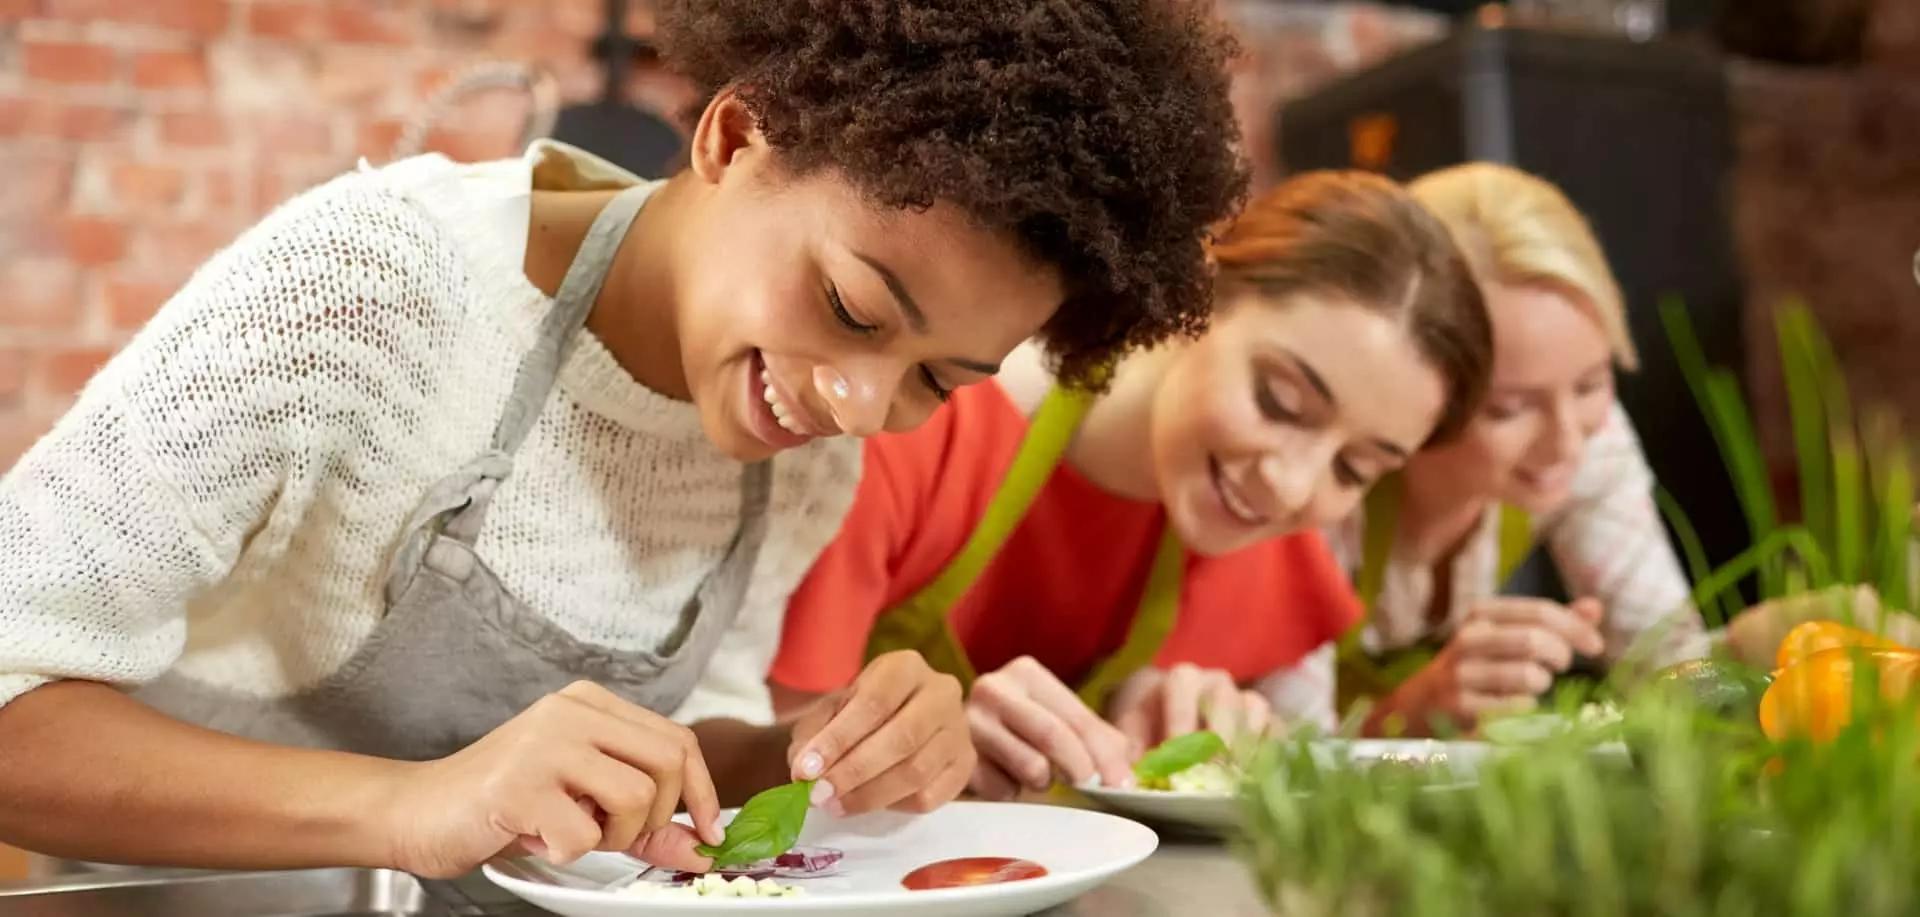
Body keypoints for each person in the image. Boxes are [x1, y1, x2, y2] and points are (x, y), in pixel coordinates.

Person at [0, 0, 1247, 877]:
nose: (860, 407)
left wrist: (810, 753)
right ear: (734, 138)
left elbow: (679, 758)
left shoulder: (804, 446)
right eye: (853, 308)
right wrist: (415, 803)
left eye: (936, 378)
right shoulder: (373, 286)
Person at [770, 171, 1491, 797]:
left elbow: (1315, 785)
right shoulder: (925, 426)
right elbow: (757, 756)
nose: (1290, 485)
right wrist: (928, 752)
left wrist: (1227, 749)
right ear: (1198, 294)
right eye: (1279, 401)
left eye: (1354, 468)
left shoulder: (1275, 557)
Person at [1287, 162, 1708, 736]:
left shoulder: (1594, 438)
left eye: (1591, 384)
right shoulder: (1318, 482)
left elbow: (1665, 662)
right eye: (1509, 409)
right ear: (1416, 391)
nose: (1566, 441)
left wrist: (1759, 657)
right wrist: (1416, 709)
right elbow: (1275, 757)